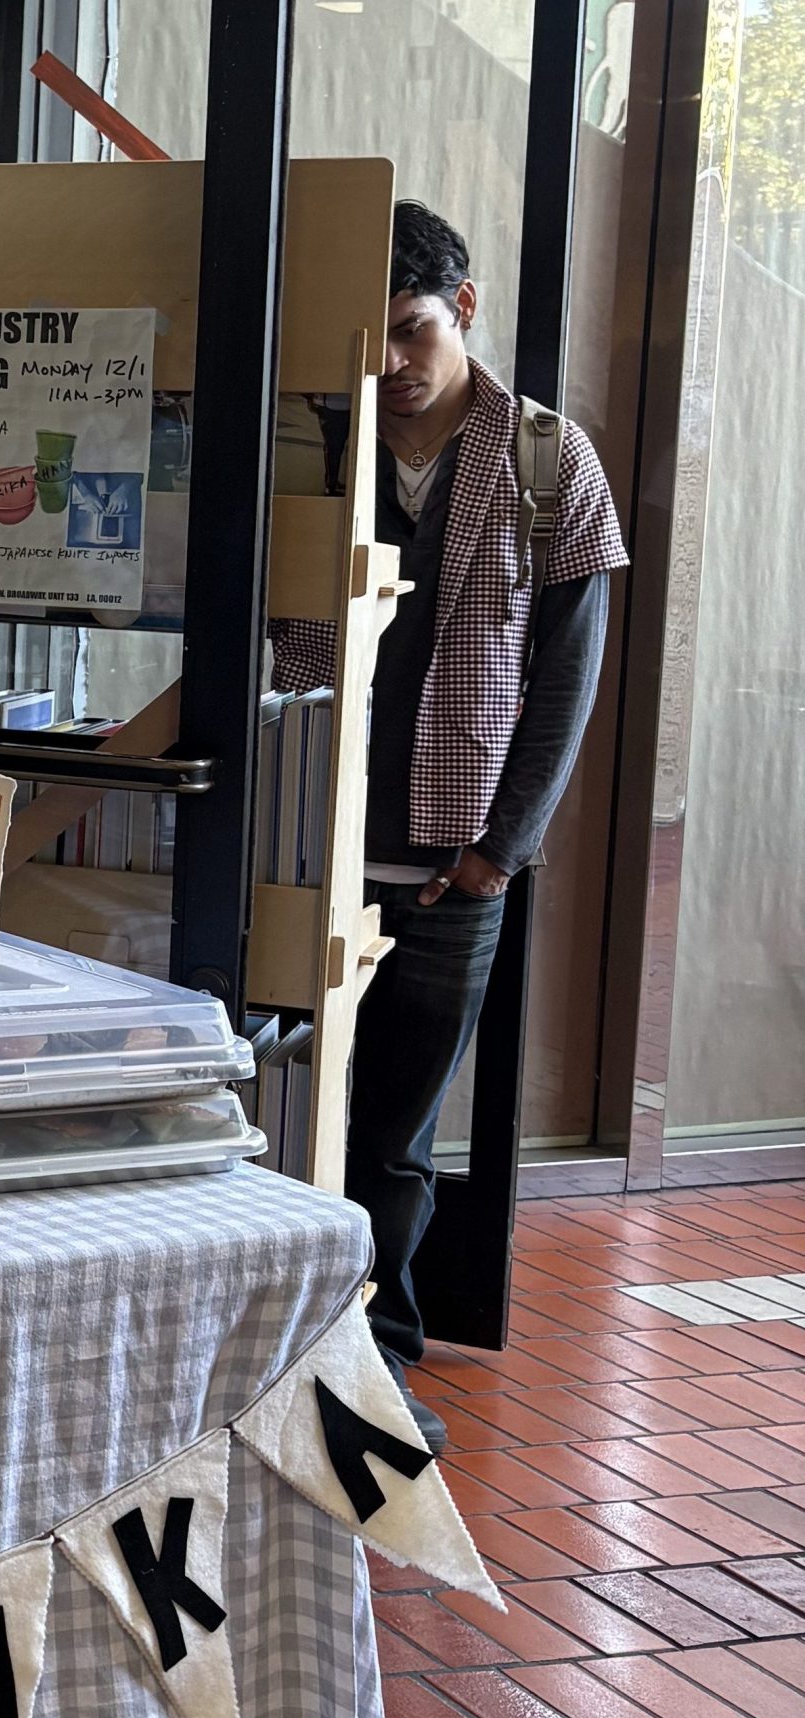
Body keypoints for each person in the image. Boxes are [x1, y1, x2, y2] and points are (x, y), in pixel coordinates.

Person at [275, 201, 627, 1450]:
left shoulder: (549, 463)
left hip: (449, 858)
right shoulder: (320, 442)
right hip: (304, 838)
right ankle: (282, 1356)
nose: (390, 362)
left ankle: (381, 1361)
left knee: (396, 1132)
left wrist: (498, 854)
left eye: (413, 331)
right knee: (283, 1106)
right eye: (370, 336)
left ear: (464, 310)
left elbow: (570, 679)